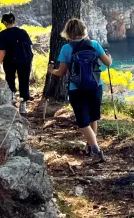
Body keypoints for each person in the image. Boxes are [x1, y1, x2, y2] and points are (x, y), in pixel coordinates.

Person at [49, 18, 112, 163]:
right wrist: (109, 56)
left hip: (76, 88)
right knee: (93, 117)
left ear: (68, 33)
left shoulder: (67, 48)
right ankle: (91, 147)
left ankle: (95, 149)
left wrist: (52, 70)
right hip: (96, 86)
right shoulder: (94, 44)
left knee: (83, 121)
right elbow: (107, 63)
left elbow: (62, 72)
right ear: (84, 30)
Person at [0, 13, 34, 114]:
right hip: (25, 60)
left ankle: (11, 101)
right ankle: (23, 106)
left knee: (9, 79)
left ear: (4, 22)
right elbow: (30, 47)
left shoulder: (2, 34)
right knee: (24, 81)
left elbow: (2, 51)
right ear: (14, 21)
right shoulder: (23, 32)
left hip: (10, 61)